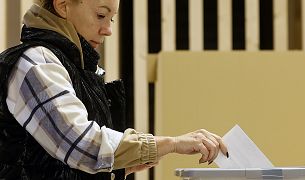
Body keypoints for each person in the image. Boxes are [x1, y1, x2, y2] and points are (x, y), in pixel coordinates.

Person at [0, 0, 229, 179]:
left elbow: (55, 165)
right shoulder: (36, 63)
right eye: (101, 15)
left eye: (112, 18)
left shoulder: (76, 69)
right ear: (63, 5)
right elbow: (82, 145)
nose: (108, 30)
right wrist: (171, 144)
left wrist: (120, 167)